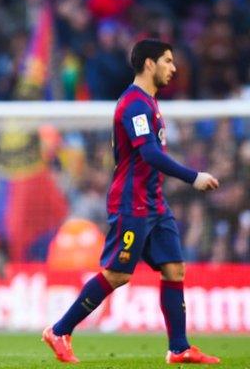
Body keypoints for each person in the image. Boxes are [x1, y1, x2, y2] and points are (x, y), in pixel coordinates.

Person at [43, 39, 221, 365]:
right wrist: (193, 176)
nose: (174, 68)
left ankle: (179, 348)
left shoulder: (149, 103)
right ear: (149, 64)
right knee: (117, 274)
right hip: (132, 204)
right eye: (168, 61)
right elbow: (149, 153)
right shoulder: (135, 104)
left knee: (174, 268)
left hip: (154, 203)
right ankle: (59, 330)